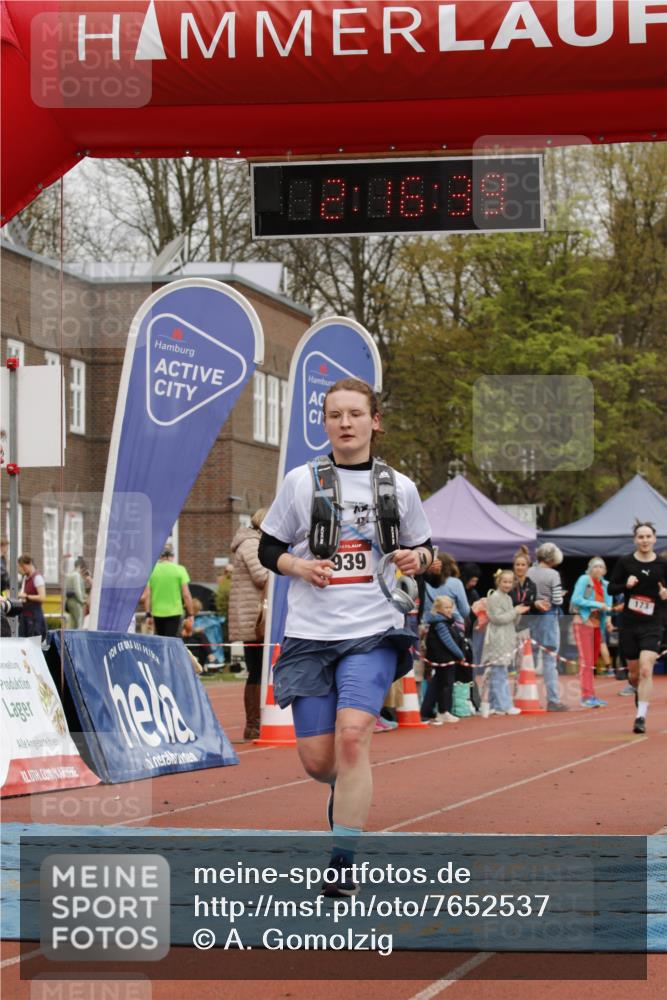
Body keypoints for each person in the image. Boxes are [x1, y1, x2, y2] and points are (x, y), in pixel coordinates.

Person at [258, 377, 433, 897]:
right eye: (335, 415)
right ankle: (345, 790)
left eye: (355, 414)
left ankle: (342, 860)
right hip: (311, 634)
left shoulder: (398, 487)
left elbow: (428, 551)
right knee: (320, 762)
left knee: (354, 736)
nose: (346, 423)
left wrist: (413, 558)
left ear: (374, 421)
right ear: (325, 423)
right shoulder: (300, 482)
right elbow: (267, 548)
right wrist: (299, 565)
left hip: (374, 629)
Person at [608, 522, 667, 734]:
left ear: (654, 539)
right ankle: (638, 691)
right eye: (640, 537)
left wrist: (664, 595)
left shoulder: (662, 564)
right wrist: (626, 585)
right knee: (634, 675)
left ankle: (640, 716)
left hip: (653, 623)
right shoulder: (625, 562)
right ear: (635, 540)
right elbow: (611, 587)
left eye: (648, 536)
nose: (644, 540)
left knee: (645, 668)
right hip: (630, 624)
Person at [228, 509, 269, 741]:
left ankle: (257, 722)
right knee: (257, 670)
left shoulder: (251, 543)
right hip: (254, 618)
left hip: (253, 615)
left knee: (260, 670)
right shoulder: (252, 545)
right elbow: (262, 575)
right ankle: (253, 724)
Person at [480, 569, 529, 716]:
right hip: (498, 638)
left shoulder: (507, 598)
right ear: (498, 582)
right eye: (504, 581)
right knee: (499, 672)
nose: (507, 584)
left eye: (510, 581)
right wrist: (516, 611)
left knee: (499, 672)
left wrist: (518, 612)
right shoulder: (495, 597)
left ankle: (496, 704)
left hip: (506, 637)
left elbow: (511, 619)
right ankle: (505, 704)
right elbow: (497, 618)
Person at [527, 542, 567, 711]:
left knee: (529, 659)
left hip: (530, 617)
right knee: (550, 660)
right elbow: (557, 600)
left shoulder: (529, 571)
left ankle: (526, 696)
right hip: (548, 618)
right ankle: (553, 699)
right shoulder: (553, 574)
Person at [570, 557, 612, 708]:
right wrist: (597, 604)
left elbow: (608, 604)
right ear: (589, 568)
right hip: (583, 621)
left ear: (605, 570)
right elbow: (576, 599)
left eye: (601, 567)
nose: (598, 569)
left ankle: (591, 694)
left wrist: (607, 619)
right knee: (586, 661)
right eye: (595, 566)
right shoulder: (584, 579)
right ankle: (586, 695)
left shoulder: (605, 585)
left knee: (592, 661)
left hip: (597, 625)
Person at [420, 595, 465, 725]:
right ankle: (444, 711)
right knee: (446, 685)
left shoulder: (444, 621)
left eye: (451, 607)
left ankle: (426, 711)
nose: (449, 610)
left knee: (435, 684)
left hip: (442, 657)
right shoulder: (440, 624)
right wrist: (460, 655)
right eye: (446, 607)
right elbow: (448, 642)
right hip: (444, 658)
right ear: (438, 608)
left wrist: (454, 614)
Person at [143, 545, 194, 637]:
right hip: (175, 613)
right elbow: (186, 594)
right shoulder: (180, 570)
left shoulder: (151, 570)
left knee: (161, 641)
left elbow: (148, 595)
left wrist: (148, 614)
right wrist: (190, 614)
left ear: (160, 556)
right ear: (172, 556)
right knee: (172, 641)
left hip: (157, 612)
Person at [422, 552, 470, 623]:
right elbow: (465, 611)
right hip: (451, 624)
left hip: (427, 624)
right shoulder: (456, 583)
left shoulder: (424, 582)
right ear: (449, 566)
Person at [17, 554, 47, 639]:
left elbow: (42, 597)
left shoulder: (37, 577)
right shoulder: (25, 578)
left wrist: (26, 596)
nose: (21, 569)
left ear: (29, 564)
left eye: (22, 566)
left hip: (34, 618)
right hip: (25, 617)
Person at [64, 557, 86, 629]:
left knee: (72, 624)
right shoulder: (76, 575)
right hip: (77, 602)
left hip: (69, 602)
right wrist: (82, 601)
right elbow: (77, 590)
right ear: (80, 566)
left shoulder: (69, 575)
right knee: (79, 624)